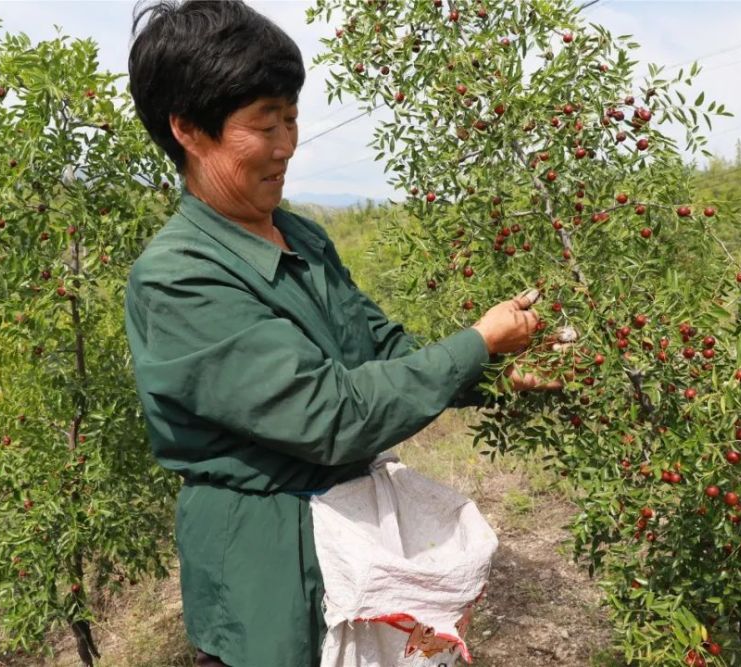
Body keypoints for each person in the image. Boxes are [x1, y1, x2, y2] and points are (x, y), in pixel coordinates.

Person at [124, 3, 558, 666]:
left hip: (358, 553)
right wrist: (475, 343)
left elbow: (382, 348)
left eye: (291, 119)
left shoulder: (301, 238)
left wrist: (497, 373)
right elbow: (330, 415)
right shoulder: (178, 279)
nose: (286, 146)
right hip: (267, 580)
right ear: (187, 129)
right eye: (264, 126)